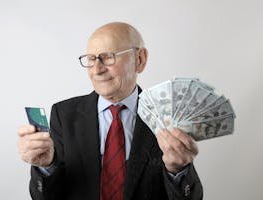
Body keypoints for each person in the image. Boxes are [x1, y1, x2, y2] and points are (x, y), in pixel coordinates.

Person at [17, 22, 203, 200]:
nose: (97, 69)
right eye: (91, 59)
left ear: (140, 59)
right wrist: (46, 167)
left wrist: (179, 171)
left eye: (107, 57)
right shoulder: (64, 114)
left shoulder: (169, 116)